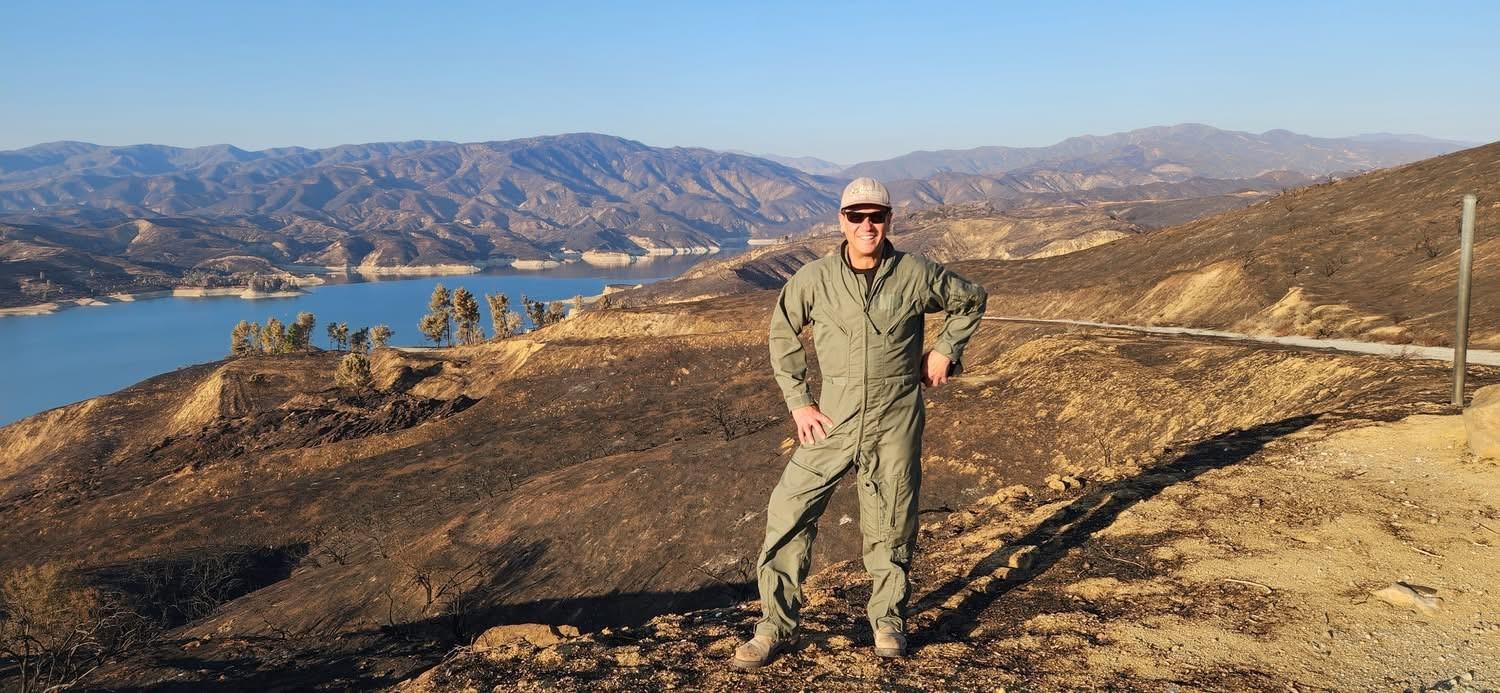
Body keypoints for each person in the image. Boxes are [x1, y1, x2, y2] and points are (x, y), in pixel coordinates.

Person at [733, 177, 988, 670]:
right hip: (833, 418)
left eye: (877, 216)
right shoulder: (814, 278)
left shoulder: (915, 272)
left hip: (896, 417)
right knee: (789, 512)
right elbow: (782, 330)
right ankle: (774, 626)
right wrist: (799, 402)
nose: (867, 225)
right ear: (841, 221)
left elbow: (971, 299)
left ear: (890, 220)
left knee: (892, 519)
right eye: (857, 217)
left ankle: (888, 619)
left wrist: (944, 350)